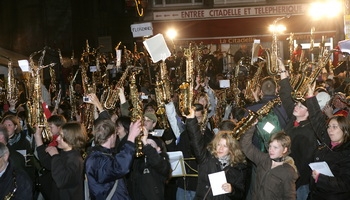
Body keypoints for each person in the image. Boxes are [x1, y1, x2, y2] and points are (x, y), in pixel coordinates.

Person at [278, 59, 324, 200]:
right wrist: (282, 72)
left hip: (299, 183)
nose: (296, 107)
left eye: (300, 106)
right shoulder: (294, 119)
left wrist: (293, 180)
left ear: (308, 112)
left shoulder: (309, 131)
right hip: (286, 176)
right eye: (297, 104)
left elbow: (305, 162)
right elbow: (286, 96)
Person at [185, 107, 248, 200]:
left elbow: (240, 194)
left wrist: (232, 190)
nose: (221, 148)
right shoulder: (206, 159)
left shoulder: (238, 167)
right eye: (219, 144)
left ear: (231, 149)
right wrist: (191, 120)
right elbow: (196, 142)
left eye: (225, 146)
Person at [85, 119, 141, 200]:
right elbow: (120, 167)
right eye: (115, 134)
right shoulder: (96, 159)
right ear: (111, 136)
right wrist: (131, 137)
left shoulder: (102, 155)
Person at [240, 126, 298, 200]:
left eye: (275, 147)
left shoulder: (288, 172)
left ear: (284, 150)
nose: (271, 150)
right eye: (270, 146)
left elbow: (290, 197)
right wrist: (251, 127)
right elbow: (246, 146)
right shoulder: (264, 159)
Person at [35, 122, 88, 200]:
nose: (57, 139)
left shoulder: (75, 160)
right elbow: (47, 162)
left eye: (61, 136)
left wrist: (55, 156)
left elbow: (61, 180)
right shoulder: (64, 153)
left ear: (71, 139)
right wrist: (38, 136)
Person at [308, 115, 350, 200]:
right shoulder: (326, 145)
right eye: (329, 126)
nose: (330, 130)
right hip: (315, 194)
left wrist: (320, 178)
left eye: (334, 127)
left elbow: (346, 184)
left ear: (345, 130)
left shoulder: (347, 152)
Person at [130, 123, 171, 200]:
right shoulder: (138, 160)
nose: (146, 146)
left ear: (158, 149)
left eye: (150, 144)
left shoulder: (163, 162)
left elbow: (157, 162)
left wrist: (145, 143)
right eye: (145, 144)